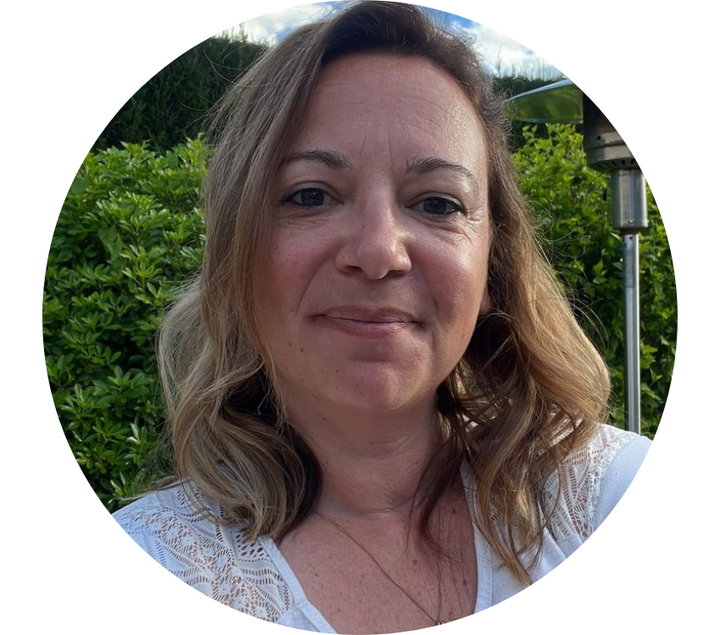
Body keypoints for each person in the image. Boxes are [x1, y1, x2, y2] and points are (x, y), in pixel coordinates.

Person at [113, 2, 651, 632]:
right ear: (237, 255)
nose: (378, 252)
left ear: (491, 269)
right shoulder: (147, 567)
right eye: (310, 195)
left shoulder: (616, 500)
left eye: (438, 203)